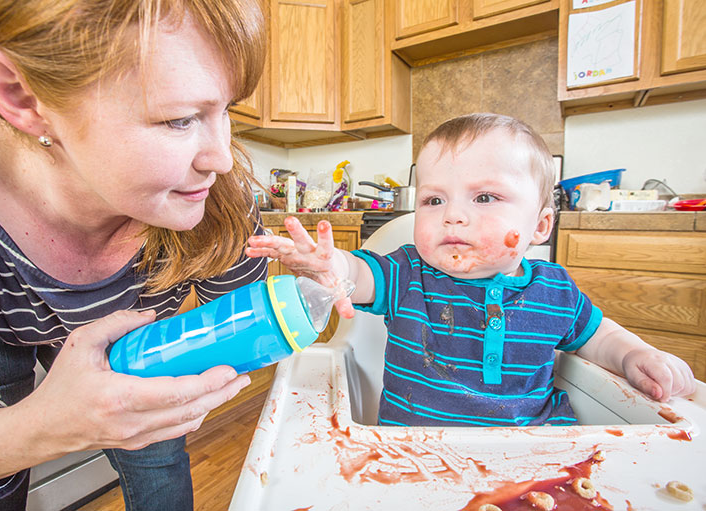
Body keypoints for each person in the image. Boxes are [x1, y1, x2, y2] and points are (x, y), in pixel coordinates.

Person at [0, 0, 268, 509]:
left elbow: (243, 308)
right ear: (20, 93)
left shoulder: (214, 189)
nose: (220, 157)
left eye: (228, 110)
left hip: (135, 338)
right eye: (178, 119)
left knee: (159, 460)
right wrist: (43, 426)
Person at [246, 113, 696, 428]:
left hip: (530, 452)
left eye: (484, 198)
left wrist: (635, 355)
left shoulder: (556, 292)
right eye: (434, 199)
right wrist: (333, 264)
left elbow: (600, 338)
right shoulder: (409, 273)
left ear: (540, 225)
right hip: (411, 453)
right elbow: (361, 275)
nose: (452, 216)